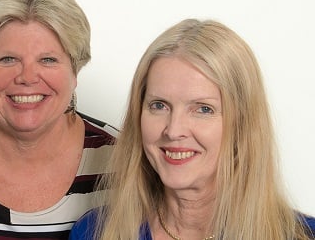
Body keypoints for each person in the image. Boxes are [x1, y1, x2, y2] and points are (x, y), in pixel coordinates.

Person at [69, 18, 315, 240]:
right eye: (159, 105)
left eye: (203, 109)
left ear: (243, 123)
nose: (174, 130)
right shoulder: (94, 232)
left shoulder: (302, 235)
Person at [0, 0, 118, 240]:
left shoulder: (124, 160)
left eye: (48, 60)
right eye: (7, 59)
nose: (27, 77)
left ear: (75, 72)